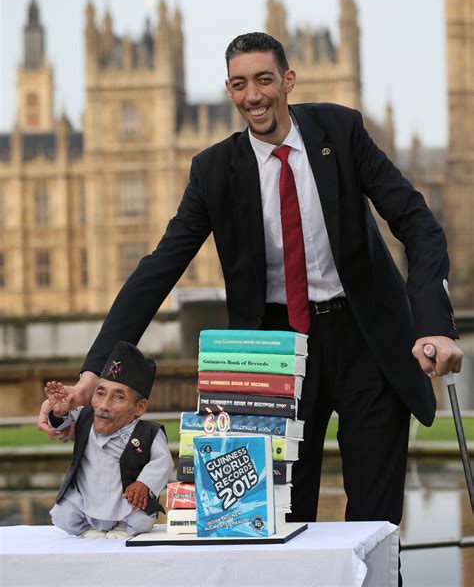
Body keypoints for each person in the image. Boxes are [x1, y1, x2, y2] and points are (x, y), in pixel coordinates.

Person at [38, 32, 462, 530]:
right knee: (277, 516)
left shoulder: (340, 132)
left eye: (264, 80)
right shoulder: (214, 171)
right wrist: (93, 374)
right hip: (275, 351)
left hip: (366, 337)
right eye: (240, 84)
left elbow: (416, 221)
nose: (254, 95)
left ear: (288, 80)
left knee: (374, 521)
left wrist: (433, 323)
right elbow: (157, 272)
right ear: (229, 90)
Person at [48, 341, 174, 539]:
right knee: (61, 516)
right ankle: (87, 528)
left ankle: (123, 527)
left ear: (139, 408)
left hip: (124, 502)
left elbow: (163, 462)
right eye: (100, 393)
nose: (104, 405)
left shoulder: (148, 433)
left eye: (119, 397)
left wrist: (143, 484)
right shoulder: (84, 417)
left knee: (141, 520)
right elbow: (60, 425)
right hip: (86, 498)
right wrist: (59, 413)